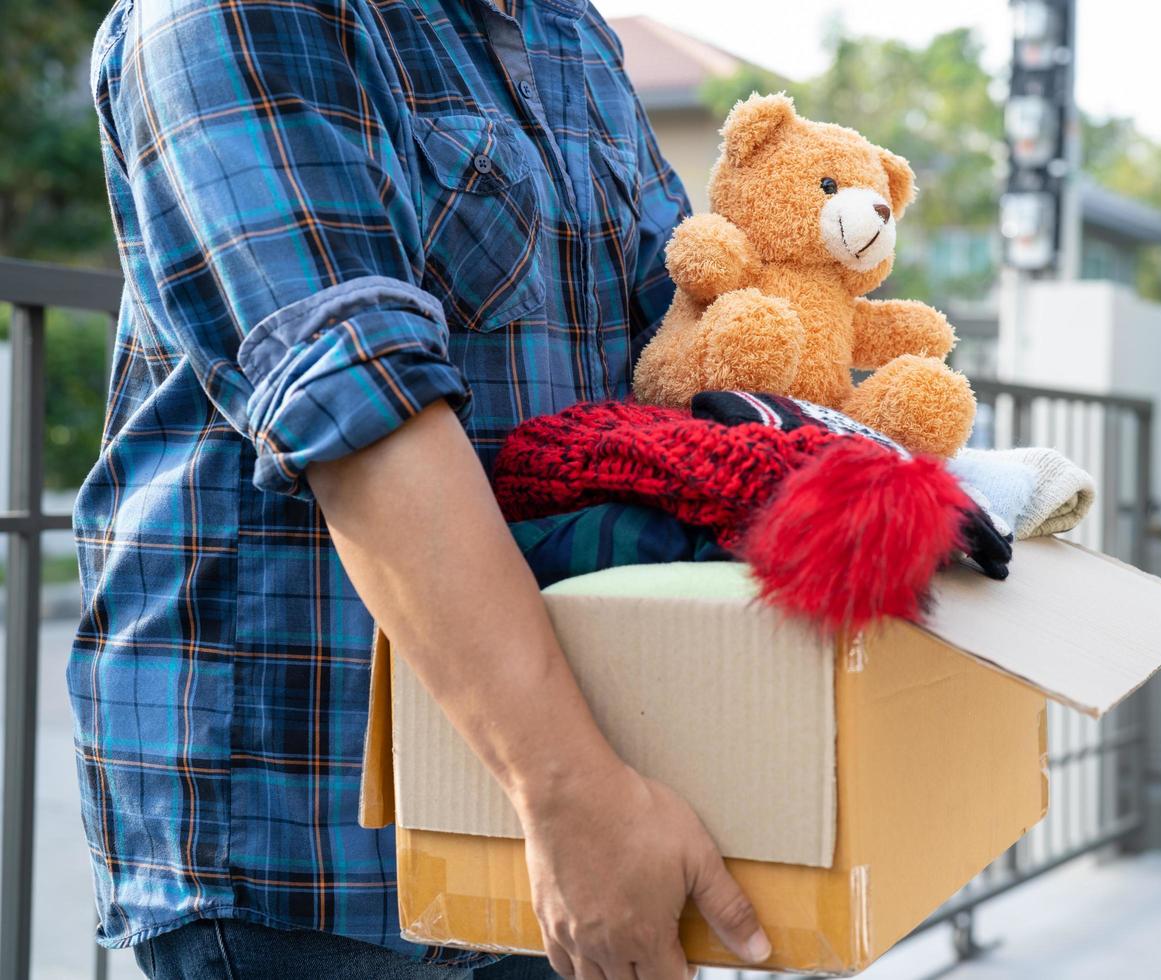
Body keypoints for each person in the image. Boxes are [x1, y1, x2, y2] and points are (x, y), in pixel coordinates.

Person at [72, 0, 771, 977]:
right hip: (312, 841)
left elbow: (672, 352)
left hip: (568, 768)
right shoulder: (231, 12)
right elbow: (359, 410)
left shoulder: (570, 32)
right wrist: (573, 795)